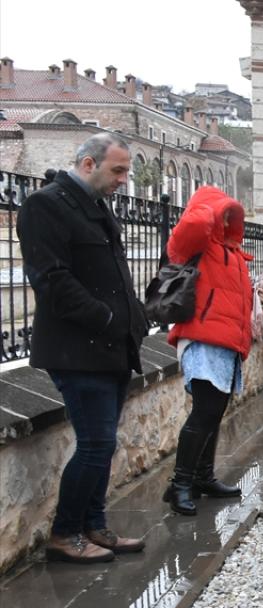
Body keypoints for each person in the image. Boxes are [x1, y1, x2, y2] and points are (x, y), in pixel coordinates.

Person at [17, 133, 149, 563]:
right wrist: (107, 318)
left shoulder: (95, 205)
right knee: (94, 443)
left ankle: (94, 525)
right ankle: (65, 534)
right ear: (88, 164)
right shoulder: (46, 205)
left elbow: (112, 274)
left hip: (112, 348)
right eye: (118, 170)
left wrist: (135, 316)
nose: (124, 180)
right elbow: (52, 280)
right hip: (78, 349)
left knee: (104, 444)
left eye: (126, 171)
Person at [162, 186, 263, 515]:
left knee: (213, 413)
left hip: (227, 341)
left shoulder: (232, 254)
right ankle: (180, 484)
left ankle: (202, 477)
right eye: (224, 213)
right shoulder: (197, 244)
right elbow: (188, 228)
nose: (228, 218)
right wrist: (212, 204)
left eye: (231, 214)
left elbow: (239, 305)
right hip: (203, 340)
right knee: (204, 412)